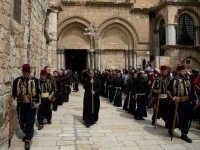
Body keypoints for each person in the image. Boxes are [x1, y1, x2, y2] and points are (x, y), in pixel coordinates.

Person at [12, 64, 40, 150]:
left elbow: (38, 92)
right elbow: (14, 92)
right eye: (24, 73)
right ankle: (26, 132)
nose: (26, 74)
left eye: (27, 73)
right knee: (21, 120)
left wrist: (38, 102)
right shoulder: (17, 80)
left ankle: (28, 139)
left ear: (30, 72)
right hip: (21, 105)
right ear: (22, 72)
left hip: (31, 104)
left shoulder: (35, 80)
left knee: (30, 121)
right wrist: (12, 97)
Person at [167, 65, 193, 143]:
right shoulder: (173, 79)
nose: (184, 72)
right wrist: (173, 97)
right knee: (176, 118)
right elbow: (168, 90)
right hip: (177, 102)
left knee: (187, 118)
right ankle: (171, 129)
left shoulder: (187, 79)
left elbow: (192, 89)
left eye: (185, 71)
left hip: (187, 102)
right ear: (178, 71)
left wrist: (191, 99)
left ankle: (184, 134)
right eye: (182, 71)